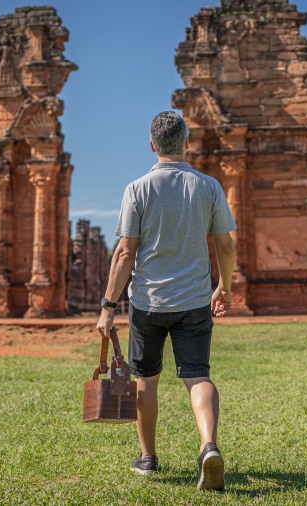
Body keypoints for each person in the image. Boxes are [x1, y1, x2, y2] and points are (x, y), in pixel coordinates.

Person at [96, 111, 236, 491]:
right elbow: (225, 244)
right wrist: (223, 286)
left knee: (146, 380)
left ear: (152, 145)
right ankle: (208, 446)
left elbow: (125, 252)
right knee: (197, 375)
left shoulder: (137, 189)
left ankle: (148, 458)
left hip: (148, 302)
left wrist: (108, 306)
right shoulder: (208, 186)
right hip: (194, 299)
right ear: (186, 143)